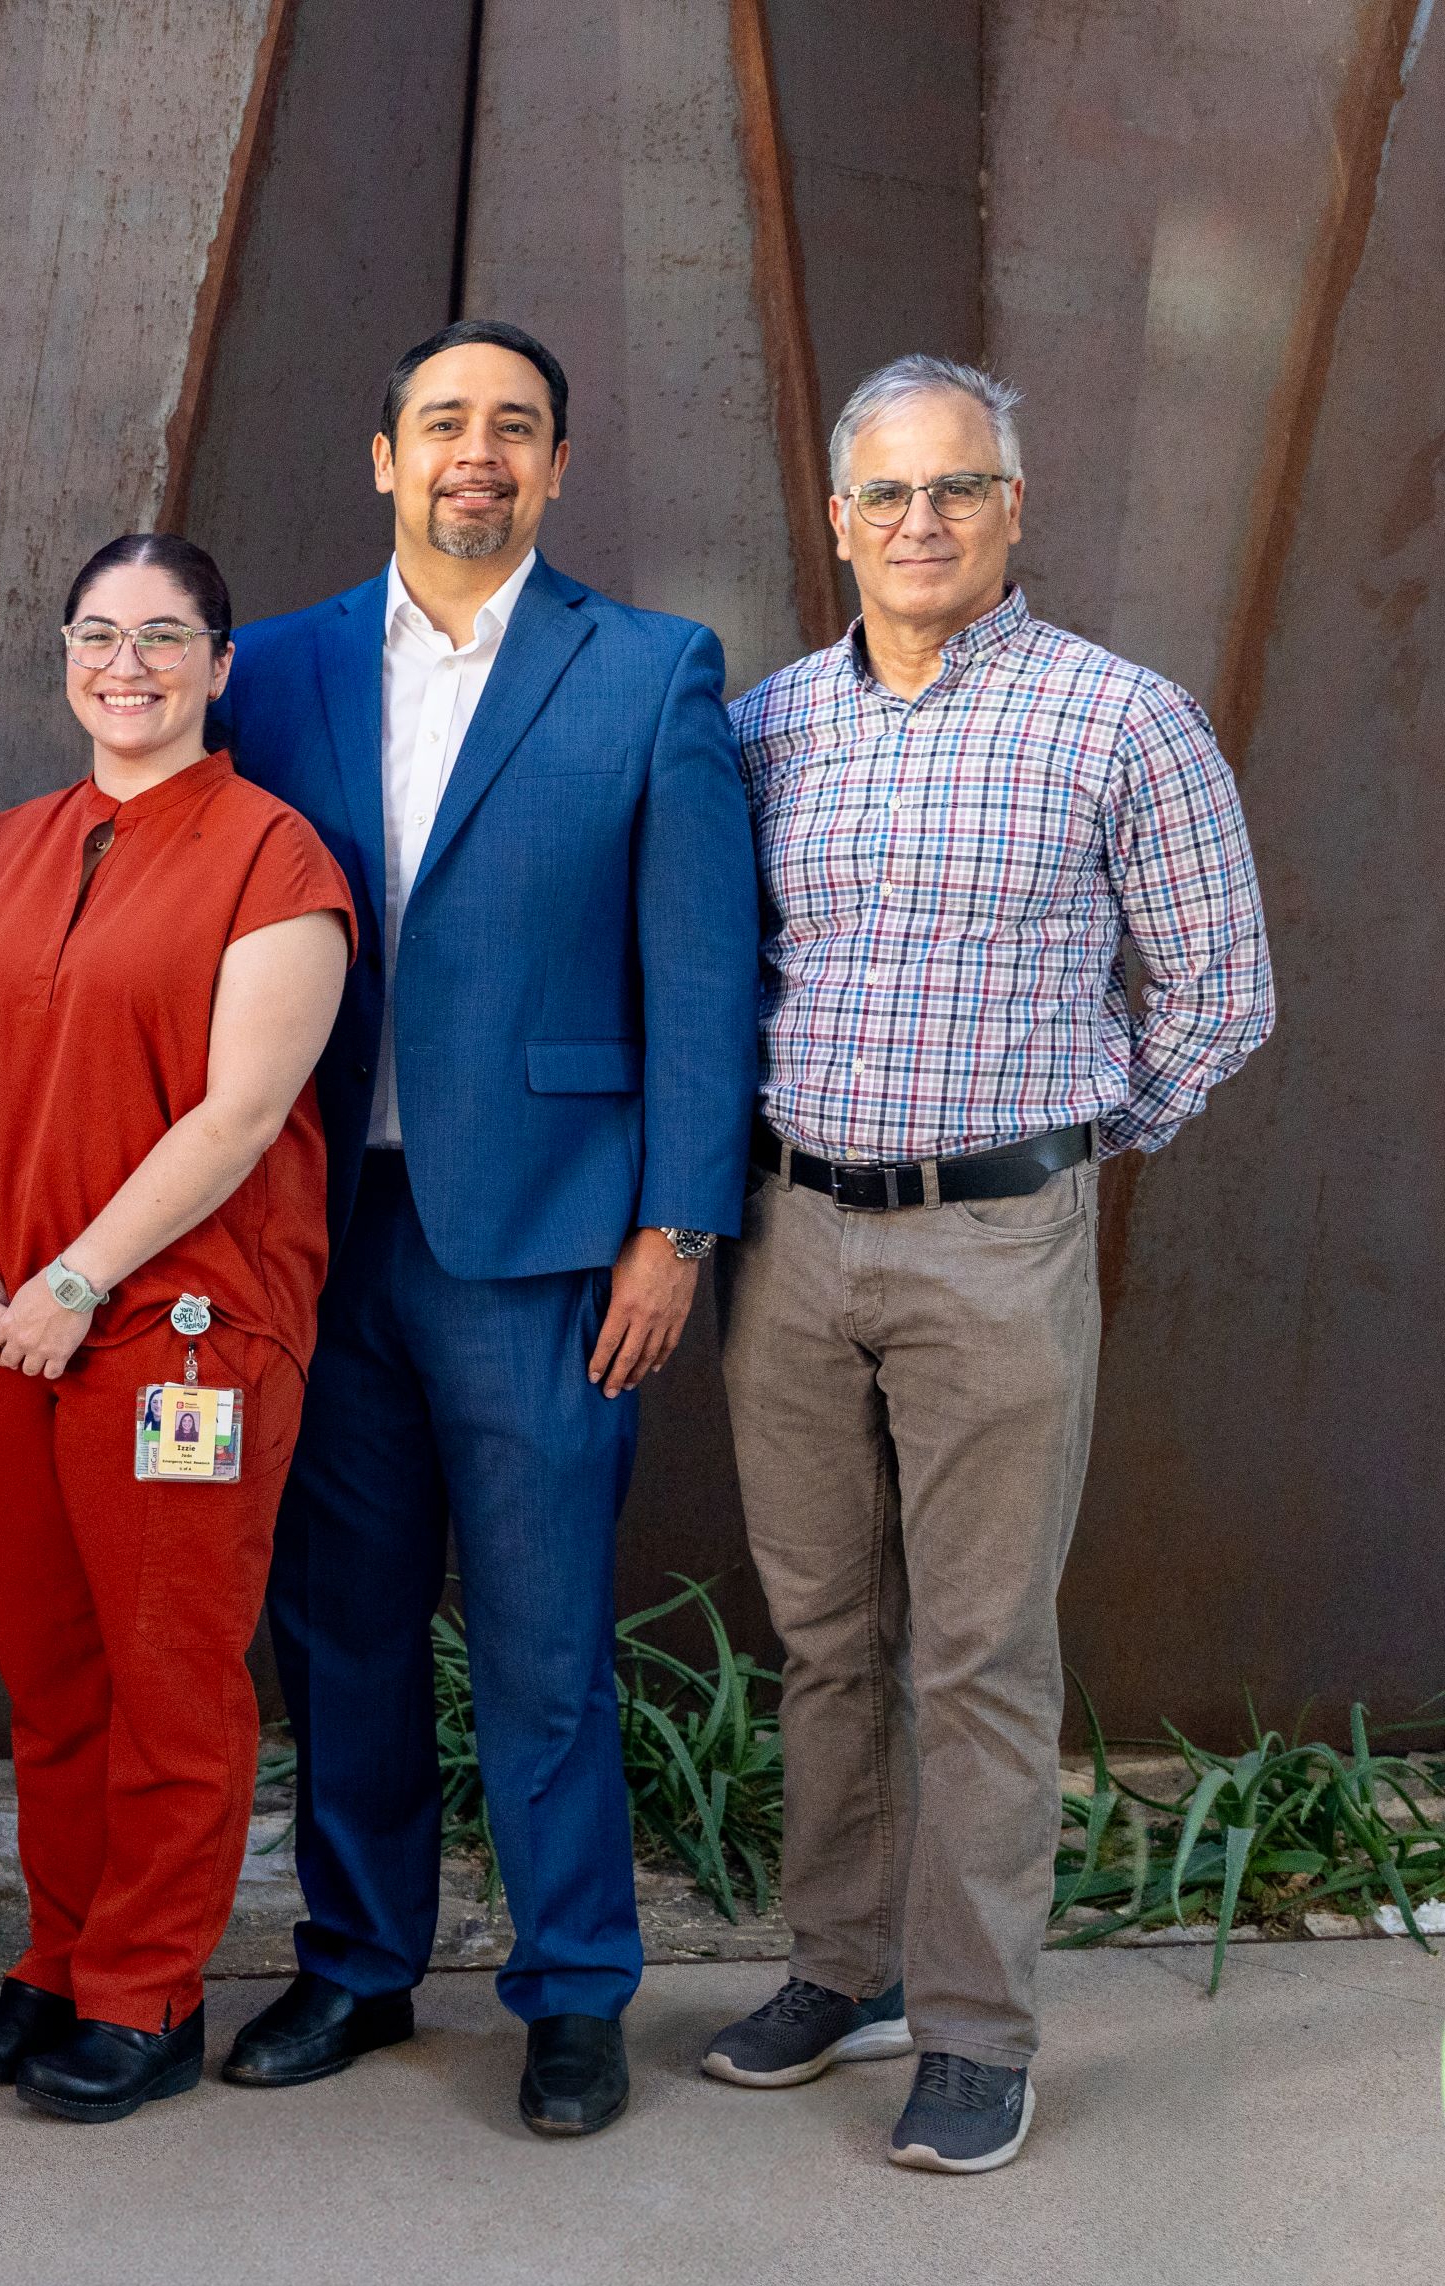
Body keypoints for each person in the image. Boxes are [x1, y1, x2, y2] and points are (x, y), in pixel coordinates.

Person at [704, 357, 1272, 2175]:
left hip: (994, 1244)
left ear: (1011, 511)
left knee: (980, 1654)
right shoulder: (777, 724)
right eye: (887, 495)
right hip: (793, 1238)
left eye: (958, 490)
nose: (921, 523)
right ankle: (841, 1967)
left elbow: (1221, 995)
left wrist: (1060, 1157)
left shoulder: (1123, 722)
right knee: (821, 1637)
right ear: (842, 518)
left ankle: (970, 2029)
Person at [211, 320, 756, 2139]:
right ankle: (360, 1965)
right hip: (315, 1230)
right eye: (443, 423)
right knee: (341, 1628)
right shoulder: (268, 673)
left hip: (542, 1244)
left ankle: (575, 1991)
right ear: (383, 458)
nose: (477, 454)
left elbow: (699, 971)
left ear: (557, 467)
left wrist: (677, 1225)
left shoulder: (653, 670)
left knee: (540, 1642)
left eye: (514, 428)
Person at [0, 532, 354, 2124]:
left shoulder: (276, 854)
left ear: (223, 667)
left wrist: (77, 1282)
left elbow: (238, 1116)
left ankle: (147, 1988)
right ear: (66, 656)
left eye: (169, 637)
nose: (130, 663)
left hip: (177, 1329)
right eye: (100, 631)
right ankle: (59, 1953)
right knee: (51, 1674)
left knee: (171, 1673)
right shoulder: (10, 842)